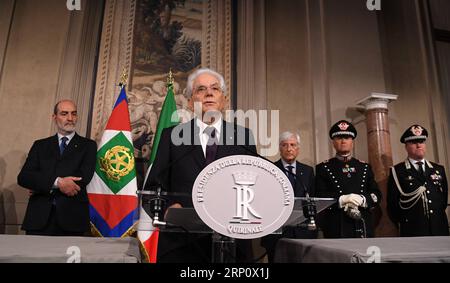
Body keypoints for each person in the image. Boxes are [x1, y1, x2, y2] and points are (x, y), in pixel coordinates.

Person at [144, 68, 257, 262]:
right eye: (201, 89)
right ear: (190, 102)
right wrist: (169, 208)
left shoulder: (244, 138)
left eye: (215, 89)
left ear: (224, 100)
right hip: (181, 243)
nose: (209, 93)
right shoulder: (171, 137)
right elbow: (153, 189)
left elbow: (255, 186)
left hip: (232, 243)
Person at [17, 100, 97, 236]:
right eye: (64, 114)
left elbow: (83, 177)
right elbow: (24, 177)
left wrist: (41, 183)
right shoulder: (40, 145)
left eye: (74, 114)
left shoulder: (88, 145)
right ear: (54, 117)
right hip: (38, 219)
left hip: (72, 218)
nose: (70, 118)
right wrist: (57, 182)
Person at [315, 120, 381, 238]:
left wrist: (363, 199)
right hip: (336, 224)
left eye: (347, 137)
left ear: (352, 142)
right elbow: (319, 195)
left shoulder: (364, 167)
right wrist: (341, 199)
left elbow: (376, 193)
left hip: (362, 223)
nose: (343, 141)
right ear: (333, 142)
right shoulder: (324, 167)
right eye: (339, 138)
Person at [260, 131, 316, 263]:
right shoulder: (270, 169)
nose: (289, 149)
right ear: (279, 148)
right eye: (285, 145)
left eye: (293, 145)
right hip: (276, 233)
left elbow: (313, 198)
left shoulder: (308, 171)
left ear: (298, 148)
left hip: (303, 233)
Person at [387, 124, 449, 236]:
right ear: (406, 146)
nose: (419, 145)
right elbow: (392, 206)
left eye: (421, 141)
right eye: (414, 142)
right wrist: (406, 222)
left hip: (439, 227)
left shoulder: (438, 169)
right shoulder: (398, 171)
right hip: (413, 230)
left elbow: (443, 200)